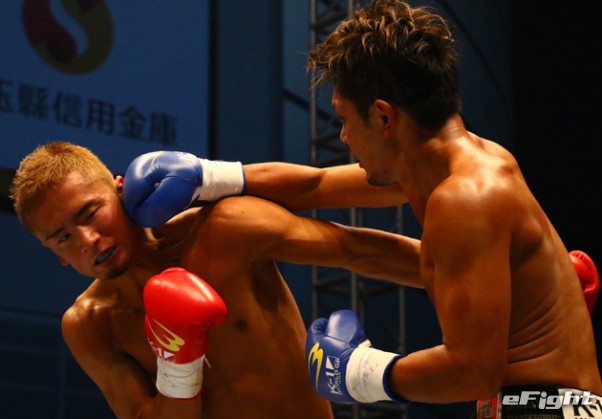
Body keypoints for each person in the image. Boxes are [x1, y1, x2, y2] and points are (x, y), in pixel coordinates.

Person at [121, 1, 602, 417]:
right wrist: (209, 177)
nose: (344, 136)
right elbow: (315, 185)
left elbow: (473, 372)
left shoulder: (466, 198)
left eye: (345, 118)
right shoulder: (449, 164)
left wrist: (357, 371)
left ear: (383, 116)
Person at [10, 141, 424, 419]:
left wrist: (460, 274)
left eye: (89, 213)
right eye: (62, 237)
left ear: (120, 190)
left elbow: (360, 250)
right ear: (56, 254)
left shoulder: (225, 230)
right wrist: (178, 365)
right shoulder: (90, 325)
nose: (87, 240)